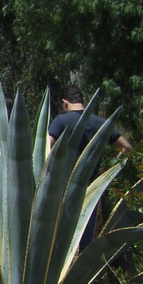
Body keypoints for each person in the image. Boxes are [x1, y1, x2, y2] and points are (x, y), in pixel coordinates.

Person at [47, 84, 133, 251]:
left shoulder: (61, 121)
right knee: (85, 237)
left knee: (61, 242)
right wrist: (109, 170)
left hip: (63, 188)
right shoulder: (100, 123)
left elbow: (46, 147)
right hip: (91, 188)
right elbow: (126, 148)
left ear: (65, 102)